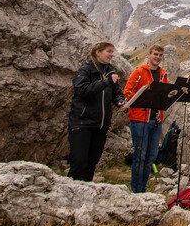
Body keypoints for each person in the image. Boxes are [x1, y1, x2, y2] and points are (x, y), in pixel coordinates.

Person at [68, 41, 125, 181]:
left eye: (112, 52)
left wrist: (119, 100)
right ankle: (72, 189)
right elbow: (82, 90)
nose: (111, 55)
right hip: (82, 123)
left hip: (101, 125)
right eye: (108, 51)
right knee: (79, 162)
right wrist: (105, 82)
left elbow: (116, 92)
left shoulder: (110, 71)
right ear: (97, 52)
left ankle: (86, 189)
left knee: (92, 163)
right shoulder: (85, 69)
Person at [124, 44, 169, 193]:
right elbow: (127, 93)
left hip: (156, 120)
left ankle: (143, 187)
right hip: (140, 120)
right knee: (140, 156)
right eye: (155, 54)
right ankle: (137, 190)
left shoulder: (163, 74)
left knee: (151, 156)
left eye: (160, 55)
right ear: (149, 55)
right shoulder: (138, 72)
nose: (157, 57)